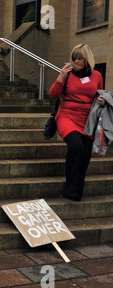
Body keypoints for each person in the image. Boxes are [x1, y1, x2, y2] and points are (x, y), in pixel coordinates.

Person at [49, 43, 105, 201]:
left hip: (87, 119)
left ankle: (78, 190)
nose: (76, 61)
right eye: (74, 58)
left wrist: (101, 100)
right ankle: (70, 190)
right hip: (67, 116)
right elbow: (53, 94)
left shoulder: (96, 76)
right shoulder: (67, 73)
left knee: (85, 154)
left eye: (80, 58)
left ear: (87, 59)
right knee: (76, 146)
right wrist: (60, 77)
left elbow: (99, 94)